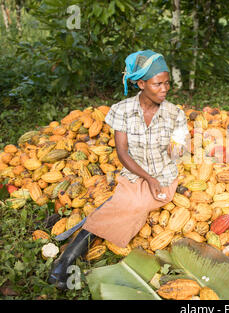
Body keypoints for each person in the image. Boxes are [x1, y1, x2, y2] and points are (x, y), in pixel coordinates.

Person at [48, 50, 190, 290]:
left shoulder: (174, 113)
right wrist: (147, 177)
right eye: (158, 84)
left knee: (137, 202)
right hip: (135, 173)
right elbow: (122, 153)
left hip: (164, 176)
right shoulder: (122, 110)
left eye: (167, 83)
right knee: (132, 200)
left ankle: (74, 247)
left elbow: (177, 154)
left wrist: (177, 147)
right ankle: (68, 257)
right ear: (141, 83)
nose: (164, 88)